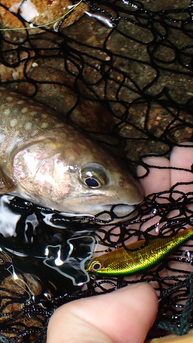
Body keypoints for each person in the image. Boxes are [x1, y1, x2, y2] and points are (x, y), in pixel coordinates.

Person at [46, 144, 193, 343]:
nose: (95, 264)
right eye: (97, 265)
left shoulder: (110, 264)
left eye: (97, 265)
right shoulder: (112, 264)